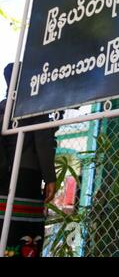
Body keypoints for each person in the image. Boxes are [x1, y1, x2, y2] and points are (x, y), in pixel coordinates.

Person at [0, 63, 57, 257]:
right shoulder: (35, 106)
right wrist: (50, 177)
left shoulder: (2, 107)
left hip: (3, 176)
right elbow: (43, 143)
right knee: (25, 229)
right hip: (27, 176)